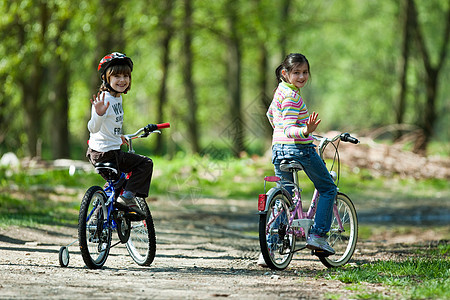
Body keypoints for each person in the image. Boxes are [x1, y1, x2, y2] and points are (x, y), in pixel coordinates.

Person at [258, 53, 337, 267]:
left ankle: (270, 248)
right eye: (296, 72)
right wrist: (306, 130)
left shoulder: (280, 92)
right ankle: (318, 236)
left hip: (278, 149)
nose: (301, 77)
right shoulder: (293, 97)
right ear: (285, 73)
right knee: (328, 188)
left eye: (305, 72)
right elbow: (291, 128)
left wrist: (282, 133)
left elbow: (270, 116)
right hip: (299, 149)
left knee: (286, 198)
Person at [86, 52, 153, 217]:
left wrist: (119, 136)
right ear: (106, 78)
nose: (122, 80)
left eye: (126, 75)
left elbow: (110, 125)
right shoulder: (104, 99)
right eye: (116, 76)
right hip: (107, 154)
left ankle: (97, 218)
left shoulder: (117, 98)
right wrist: (98, 114)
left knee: (118, 185)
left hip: (104, 151)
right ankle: (127, 199)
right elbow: (93, 128)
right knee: (145, 164)